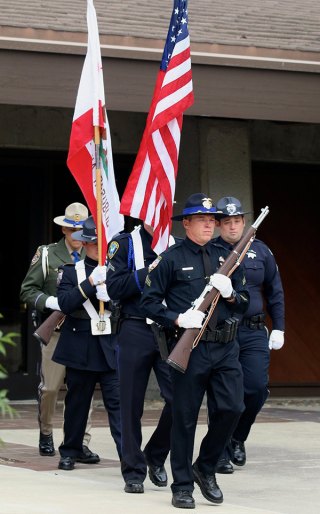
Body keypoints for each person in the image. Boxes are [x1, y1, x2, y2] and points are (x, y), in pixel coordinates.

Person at [140, 193, 250, 509]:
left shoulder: (226, 257)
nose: (209, 225)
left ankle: (205, 467)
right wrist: (176, 317)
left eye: (212, 220)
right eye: (202, 219)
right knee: (184, 417)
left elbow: (244, 303)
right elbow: (147, 302)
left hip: (226, 347)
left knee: (233, 408)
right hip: (191, 348)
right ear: (186, 223)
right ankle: (183, 486)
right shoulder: (170, 259)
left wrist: (230, 294)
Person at [213, 196, 285, 474]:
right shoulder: (210, 251)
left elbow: (275, 291)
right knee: (223, 395)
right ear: (219, 225)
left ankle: (237, 438)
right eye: (227, 222)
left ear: (244, 222)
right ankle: (218, 452)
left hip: (253, 330)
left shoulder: (261, 251)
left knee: (255, 389)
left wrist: (278, 326)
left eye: (237, 221)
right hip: (222, 331)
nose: (233, 227)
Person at [20, 202, 96, 460]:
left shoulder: (97, 253)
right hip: (57, 330)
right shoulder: (47, 254)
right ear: (64, 230)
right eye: (71, 229)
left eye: (81, 229)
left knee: (83, 387)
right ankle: (46, 431)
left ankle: (80, 441)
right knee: (51, 388)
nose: (76, 234)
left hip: (85, 329)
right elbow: (28, 290)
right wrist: (50, 302)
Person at [106, 222, 173, 494]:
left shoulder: (175, 244)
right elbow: (114, 288)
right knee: (130, 403)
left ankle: (155, 456)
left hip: (168, 328)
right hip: (134, 327)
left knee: (180, 398)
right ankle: (133, 470)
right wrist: (150, 271)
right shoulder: (124, 244)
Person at [52, 215, 121, 470]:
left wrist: (112, 296)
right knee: (77, 404)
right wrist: (90, 284)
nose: (95, 248)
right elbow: (65, 303)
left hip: (111, 345)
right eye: (91, 243)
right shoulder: (72, 272)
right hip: (80, 343)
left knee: (118, 404)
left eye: (99, 244)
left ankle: (129, 457)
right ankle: (70, 450)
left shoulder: (118, 271)